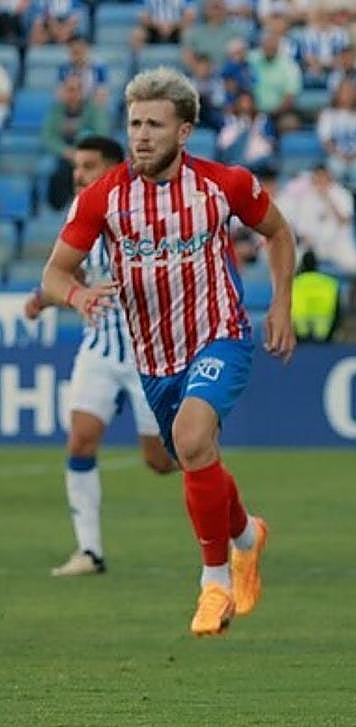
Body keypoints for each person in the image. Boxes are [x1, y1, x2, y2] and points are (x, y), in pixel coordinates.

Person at [40, 67, 297, 637]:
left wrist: (280, 304)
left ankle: (214, 583)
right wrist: (79, 294)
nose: (142, 136)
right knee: (195, 458)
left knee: (190, 438)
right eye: (135, 124)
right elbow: (55, 273)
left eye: (155, 124)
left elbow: (279, 233)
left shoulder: (224, 184)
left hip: (219, 334)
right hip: (153, 357)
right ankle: (247, 536)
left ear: (184, 131)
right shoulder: (104, 197)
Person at [22, 137, 174, 577]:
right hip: (100, 347)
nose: (78, 175)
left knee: (160, 461)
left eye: (88, 167)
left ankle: (205, 462)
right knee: (81, 439)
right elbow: (73, 271)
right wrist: (47, 298)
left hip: (151, 355)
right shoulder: (80, 213)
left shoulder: (142, 210)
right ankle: (90, 551)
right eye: (76, 168)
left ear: (112, 168)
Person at [42, 74, 112, 210]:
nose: (72, 94)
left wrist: (80, 151)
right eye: (69, 90)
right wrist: (64, 151)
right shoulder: (56, 110)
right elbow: (48, 137)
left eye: (75, 90)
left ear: (82, 92)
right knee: (58, 174)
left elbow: (101, 133)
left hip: (88, 154)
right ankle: (59, 209)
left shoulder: (94, 109)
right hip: (64, 156)